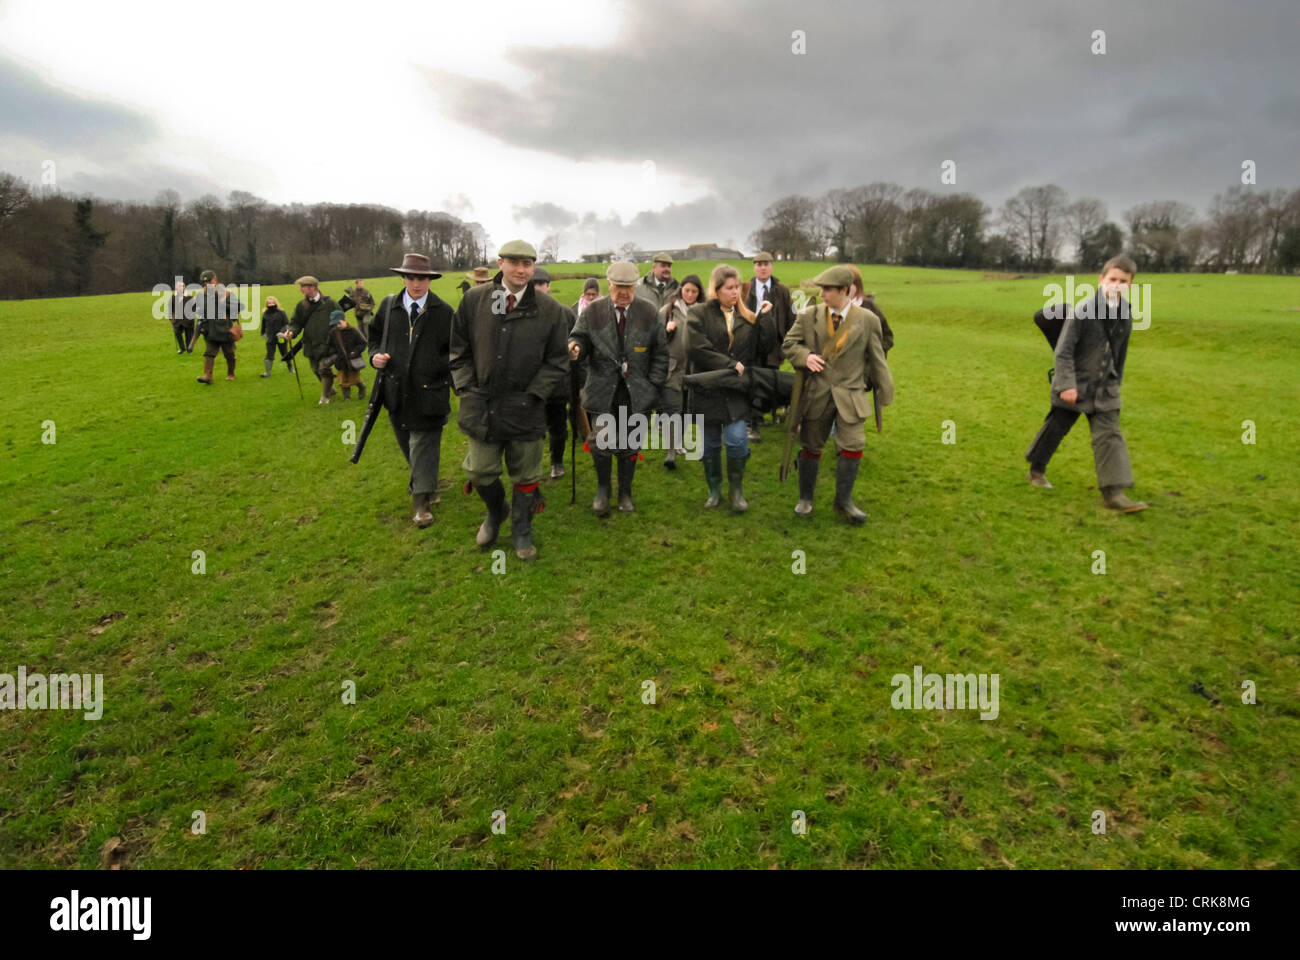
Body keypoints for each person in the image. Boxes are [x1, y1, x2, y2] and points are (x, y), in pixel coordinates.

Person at [450, 240, 570, 561]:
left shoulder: (550, 311)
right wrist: (465, 386)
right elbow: (458, 350)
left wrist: (536, 394)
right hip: (482, 405)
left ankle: (521, 529)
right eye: (514, 263)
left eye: (527, 264)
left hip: (526, 408)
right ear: (500, 263)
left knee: (526, 475)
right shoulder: (475, 301)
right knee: (481, 472)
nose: (521, 270)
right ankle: (495, 512)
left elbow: (558, 360)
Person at [1024, 254, 1148, 512]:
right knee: (1056, 427)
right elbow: (1063, 351)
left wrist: (1117, 381)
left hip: (1106, 388)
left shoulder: (1126, 313)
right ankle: (1036, 470)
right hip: (1074, 385)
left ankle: (1114, 494)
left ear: (1131, 286)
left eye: (1123, 281)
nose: (1117, 284)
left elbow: (1120, 352)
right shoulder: (1083, 311)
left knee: (1110, 435)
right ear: (1101, 279)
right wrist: (1066, 384)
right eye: (1112, 279)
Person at [781, 265, 894, 523]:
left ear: (844, 290)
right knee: (811, 445)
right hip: (817, 395)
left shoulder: (868, 320)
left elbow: (877, 358)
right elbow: (789, 344)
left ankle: (843, 502)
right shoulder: (809, 316)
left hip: (851, 396)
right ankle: (806, 499)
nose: (821, 294)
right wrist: (805, 357)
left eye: (827, 290)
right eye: (820, 289)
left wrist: (883, 392)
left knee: (854, 445)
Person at [568, 261, 667, 514]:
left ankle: (625, 492)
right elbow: (580, 336)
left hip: (636, 392)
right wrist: (576, 346)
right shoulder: (593, 312)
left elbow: (660, 354)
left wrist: (653, 385)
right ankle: (603, 489)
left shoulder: (649, 312)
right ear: (609, 285)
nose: (623, 293)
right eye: (619, 287)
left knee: (629, 445)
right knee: (601, 443)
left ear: (635, 286)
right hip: (602, 389)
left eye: (629, 288)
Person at [369, 253, 452, 528]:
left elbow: (455, 352)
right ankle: (427, 484)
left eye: (423, 278)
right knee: (408, 444)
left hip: (430, 393)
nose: (417, 284)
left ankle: (421, 504)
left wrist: (448, 378)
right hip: (395, 391)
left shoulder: (443, 311)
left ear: (430, 280)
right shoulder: (388, 306)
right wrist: (374, 357)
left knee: (422, 445)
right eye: (411, 277)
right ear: (403, 278)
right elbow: (373, 338)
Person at [686, 263, 774, 512]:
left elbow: (763, 349)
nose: (735, 292)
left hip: (736, 392)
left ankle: (736, 491)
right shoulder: (699, 314)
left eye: (738, 287)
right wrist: (730, 364)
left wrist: (765, 320)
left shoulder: (746, 317)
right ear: (716, 289)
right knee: (711, 445)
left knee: (737, 442)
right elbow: (696, 348)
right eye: (730, 288)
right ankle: (714, 490)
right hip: (708, 390)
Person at [740, 252, 795, 442]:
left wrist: (789, 345)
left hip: (773, 347)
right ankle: (752, 425)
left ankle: (763, 414)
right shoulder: (744, 290)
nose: (762, 268)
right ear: (754, 267)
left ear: (771, 266)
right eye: (759, 264)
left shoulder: (782, 291)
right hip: (750, 346)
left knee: (769, 384)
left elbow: (791, 320)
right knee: (751, 383)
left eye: (766, 264)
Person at [531, 267, 577, 480]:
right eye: (534, 284)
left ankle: (557, 462)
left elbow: (577, 342)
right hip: (531, 383)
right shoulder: (522, 313)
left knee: (558, 427)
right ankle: (532, 465)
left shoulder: (565, 312)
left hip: (558, 382)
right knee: (534, 428)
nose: (538, 288)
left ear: (548, 286)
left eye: (541, 284)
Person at [656, 273, 703, 469]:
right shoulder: (668, 311)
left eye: (694, 291)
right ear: (680, 290)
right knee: (673, 408)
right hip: (673, 368)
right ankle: (671, 452)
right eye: (687, 290)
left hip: (696, 368)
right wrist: (666, 331)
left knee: (687, 408)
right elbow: (656, 341)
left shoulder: (703, 312)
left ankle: (679, 443)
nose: (690, 294)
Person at [285, 275, 342, 405]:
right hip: (310, 344)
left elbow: (340, 319)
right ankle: (330, 390)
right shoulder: (301, 306)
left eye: (303, 287)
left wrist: (335, 334)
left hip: (328, 343)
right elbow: (296, 323)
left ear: (313, 287)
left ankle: (324, 397)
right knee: (316, 370)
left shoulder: (330, 304)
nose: (301, 290)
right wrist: (291, 332)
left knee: (323, 369)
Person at [194, 269, 242, 384]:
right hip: (210, 329)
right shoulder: (201, 295)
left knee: (229, 353)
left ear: (215, 280)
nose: (207, 285)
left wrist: (219, 300)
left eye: (209, 282)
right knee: (209, 353)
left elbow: (238, 307)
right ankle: (208, 376)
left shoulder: (226, 293)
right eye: (205, 283)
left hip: (225, 329)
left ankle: (231, 373)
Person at [328, 310, 368, 400]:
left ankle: (361, 387)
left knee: (355, 379)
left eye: (339, 323)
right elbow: (330, 346)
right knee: (342, 380)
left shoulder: (354, 331)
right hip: (340, 361)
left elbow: (363, 343)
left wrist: (355, 352)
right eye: (335, 324)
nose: (337, 326)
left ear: (345, 319)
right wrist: (334, 353)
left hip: (353, 360)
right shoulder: (333, 333)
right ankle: (347, 398)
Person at [259, 295, 289, 377]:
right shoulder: (265, 314)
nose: (270, 304)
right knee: (269, 354)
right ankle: (267, 373)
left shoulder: (281, 313)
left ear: (275, 303)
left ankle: (290, 368)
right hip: (270, 337)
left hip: (280, 337)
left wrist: (282, 333)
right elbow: (263, 324)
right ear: (267, 304)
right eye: (269, 303)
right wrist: (262, 333)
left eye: (272, 302)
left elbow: (286, 324)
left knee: (284, 353)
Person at [167, 279, 195, 354]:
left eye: (182, 286)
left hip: (188, 320)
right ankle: (182, 348)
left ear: (184, 287)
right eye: (178, 287)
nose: (180, 288)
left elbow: (194, 308)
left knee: (189, 335)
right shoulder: (173, 297)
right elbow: (170, 309)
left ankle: (189, 349)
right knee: (177, 333)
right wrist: (171, 319)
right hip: (177, 320)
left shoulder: (190, 297)